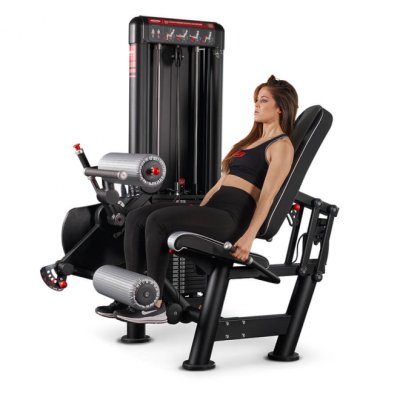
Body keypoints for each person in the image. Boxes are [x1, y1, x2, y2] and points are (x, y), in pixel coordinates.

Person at [95, 74, 298, 324]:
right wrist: (195, 214)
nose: (256, 105)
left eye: (263, 100)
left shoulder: (281, 146)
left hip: (232, 218)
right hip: (215, 210)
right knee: (136, 216)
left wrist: (248, 238)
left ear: (280, 108)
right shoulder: (250, 142)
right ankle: (132, 296)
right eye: (256, 100)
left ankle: (154, 303)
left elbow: (268, 196)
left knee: (158, 221)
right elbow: (220, 184)